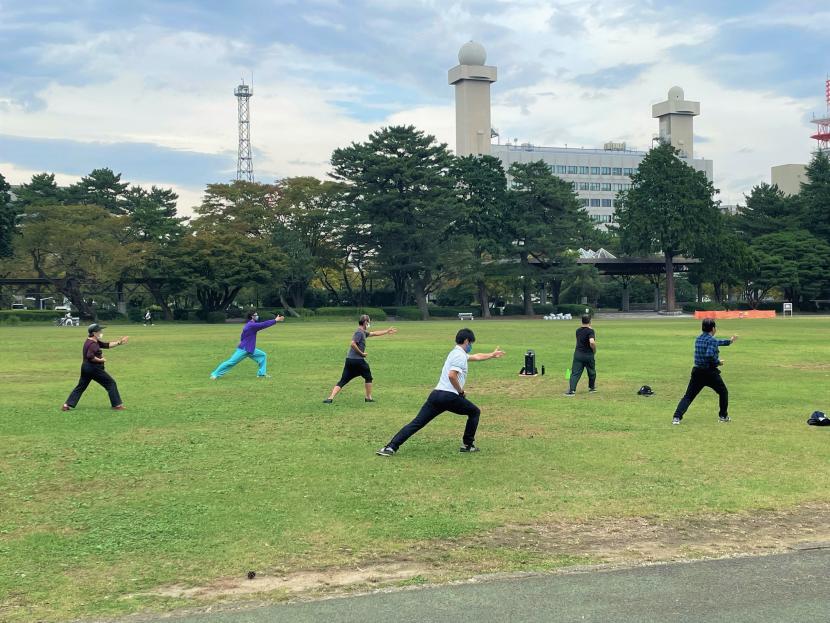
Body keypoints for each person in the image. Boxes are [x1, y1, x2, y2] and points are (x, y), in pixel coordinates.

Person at [376, 328, 504, 456]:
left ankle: (390, 447)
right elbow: (452, 375)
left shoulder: (456, 353)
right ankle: (467, 445)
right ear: (466, 341)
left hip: (436, 395)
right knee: (475, 412)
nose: (471, 346)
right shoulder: (459, 356)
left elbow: (476, 356)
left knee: (417, 423)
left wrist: (491, 355)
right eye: (471, 343)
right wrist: (460, 391)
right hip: (449, 396)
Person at [672, 318, 738, 425]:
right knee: (723, 392)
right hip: (709, 373)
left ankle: (676, 417)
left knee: (688, 396)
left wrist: (729, 341)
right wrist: (718, 362)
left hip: (697, 372)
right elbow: (709, 355)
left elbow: (716, 342)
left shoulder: (698, 339)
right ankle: (723, 416)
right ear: (713, 328)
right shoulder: (711, 340)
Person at [324, 314, 398, 403]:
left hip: (349, 360)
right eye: (369, 322)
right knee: (368, 377)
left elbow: (374, 333)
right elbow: (352, 343)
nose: (369, 324)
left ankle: (330, 398)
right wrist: (361, 353)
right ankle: (368, 397)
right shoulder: (359, 332)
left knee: (343, 380)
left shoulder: (362, 332)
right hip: (357, 360)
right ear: (365, 322)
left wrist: (387, 331)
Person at [62, 323, 129, 411]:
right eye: (99, 331)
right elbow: (90, 356)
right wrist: (101, 360)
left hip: (86, 368)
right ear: (94, 333)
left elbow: (106, 345)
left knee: (81, 386)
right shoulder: (93, 344)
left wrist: (119, 342)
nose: (101, 332)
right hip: (94, 369)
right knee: (111, 383)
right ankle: (117, 405)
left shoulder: (92, 341)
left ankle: (66, 405)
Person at [210, 310, 284, 379]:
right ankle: (215, 374)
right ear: (252, 316)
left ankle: (261, 374)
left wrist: (241, 341)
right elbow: (263, 324)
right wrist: (275, 320)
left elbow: (243, 335)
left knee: (262, 355)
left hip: (250, 349)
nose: (257, 316)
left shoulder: (250, 325)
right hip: (244, 349)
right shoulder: (251, 325)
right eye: (256, 315)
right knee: (231, 362)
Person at [564, 314, 597, 396]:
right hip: (588, 355)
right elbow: (592, 342)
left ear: (581, 321)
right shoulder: (590, 331)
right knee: (591, 372)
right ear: (590, 321)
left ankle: (572, 390)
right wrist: (594, 349)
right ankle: (591, 388)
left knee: (575, 373)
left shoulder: (578, 331)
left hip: (578, 354)